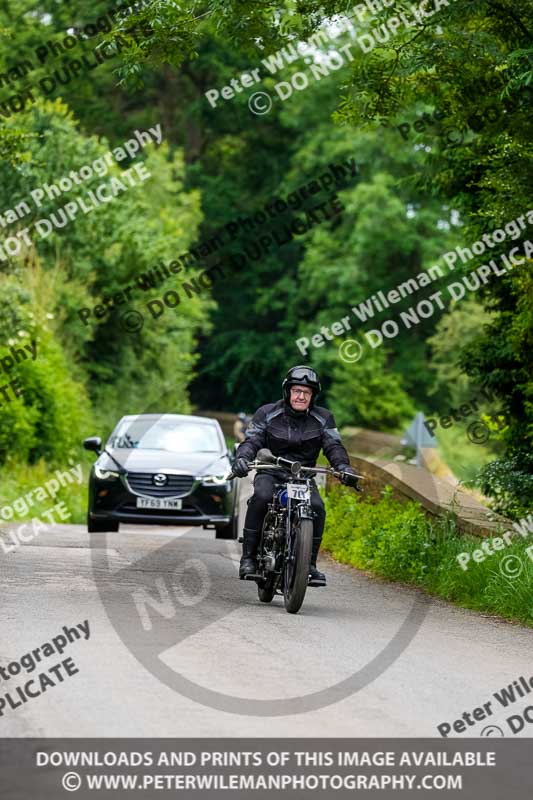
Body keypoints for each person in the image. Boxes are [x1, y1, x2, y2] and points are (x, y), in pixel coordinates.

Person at [233, 365, 359, 586]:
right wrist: (242, 459)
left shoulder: (324, 418)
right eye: (297, 391)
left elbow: (334, 446)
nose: (301, 396)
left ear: (313, 396)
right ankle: (249, 558)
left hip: (302, 477)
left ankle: (308, 565)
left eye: (307, 392)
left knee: (318, 508)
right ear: (288, 392)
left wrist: (344, 468)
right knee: (261, 497)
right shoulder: (267, 412)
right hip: (271, 471)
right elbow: (252, 440)